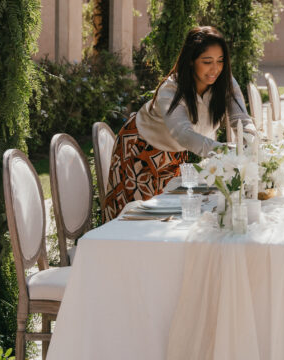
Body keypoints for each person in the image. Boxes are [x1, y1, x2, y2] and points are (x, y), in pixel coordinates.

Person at [102, 26, 255, 221]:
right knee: (135, 220)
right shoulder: (171, 89)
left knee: (170, 217)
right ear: (191, 61)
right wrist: (227, 152)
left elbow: (240, 119)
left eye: (220, 61)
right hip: (138, 151)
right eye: (207, 62)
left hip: (174, 154)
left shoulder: (225, 82)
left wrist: (254, 143)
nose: (215, 69)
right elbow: (183, 133)